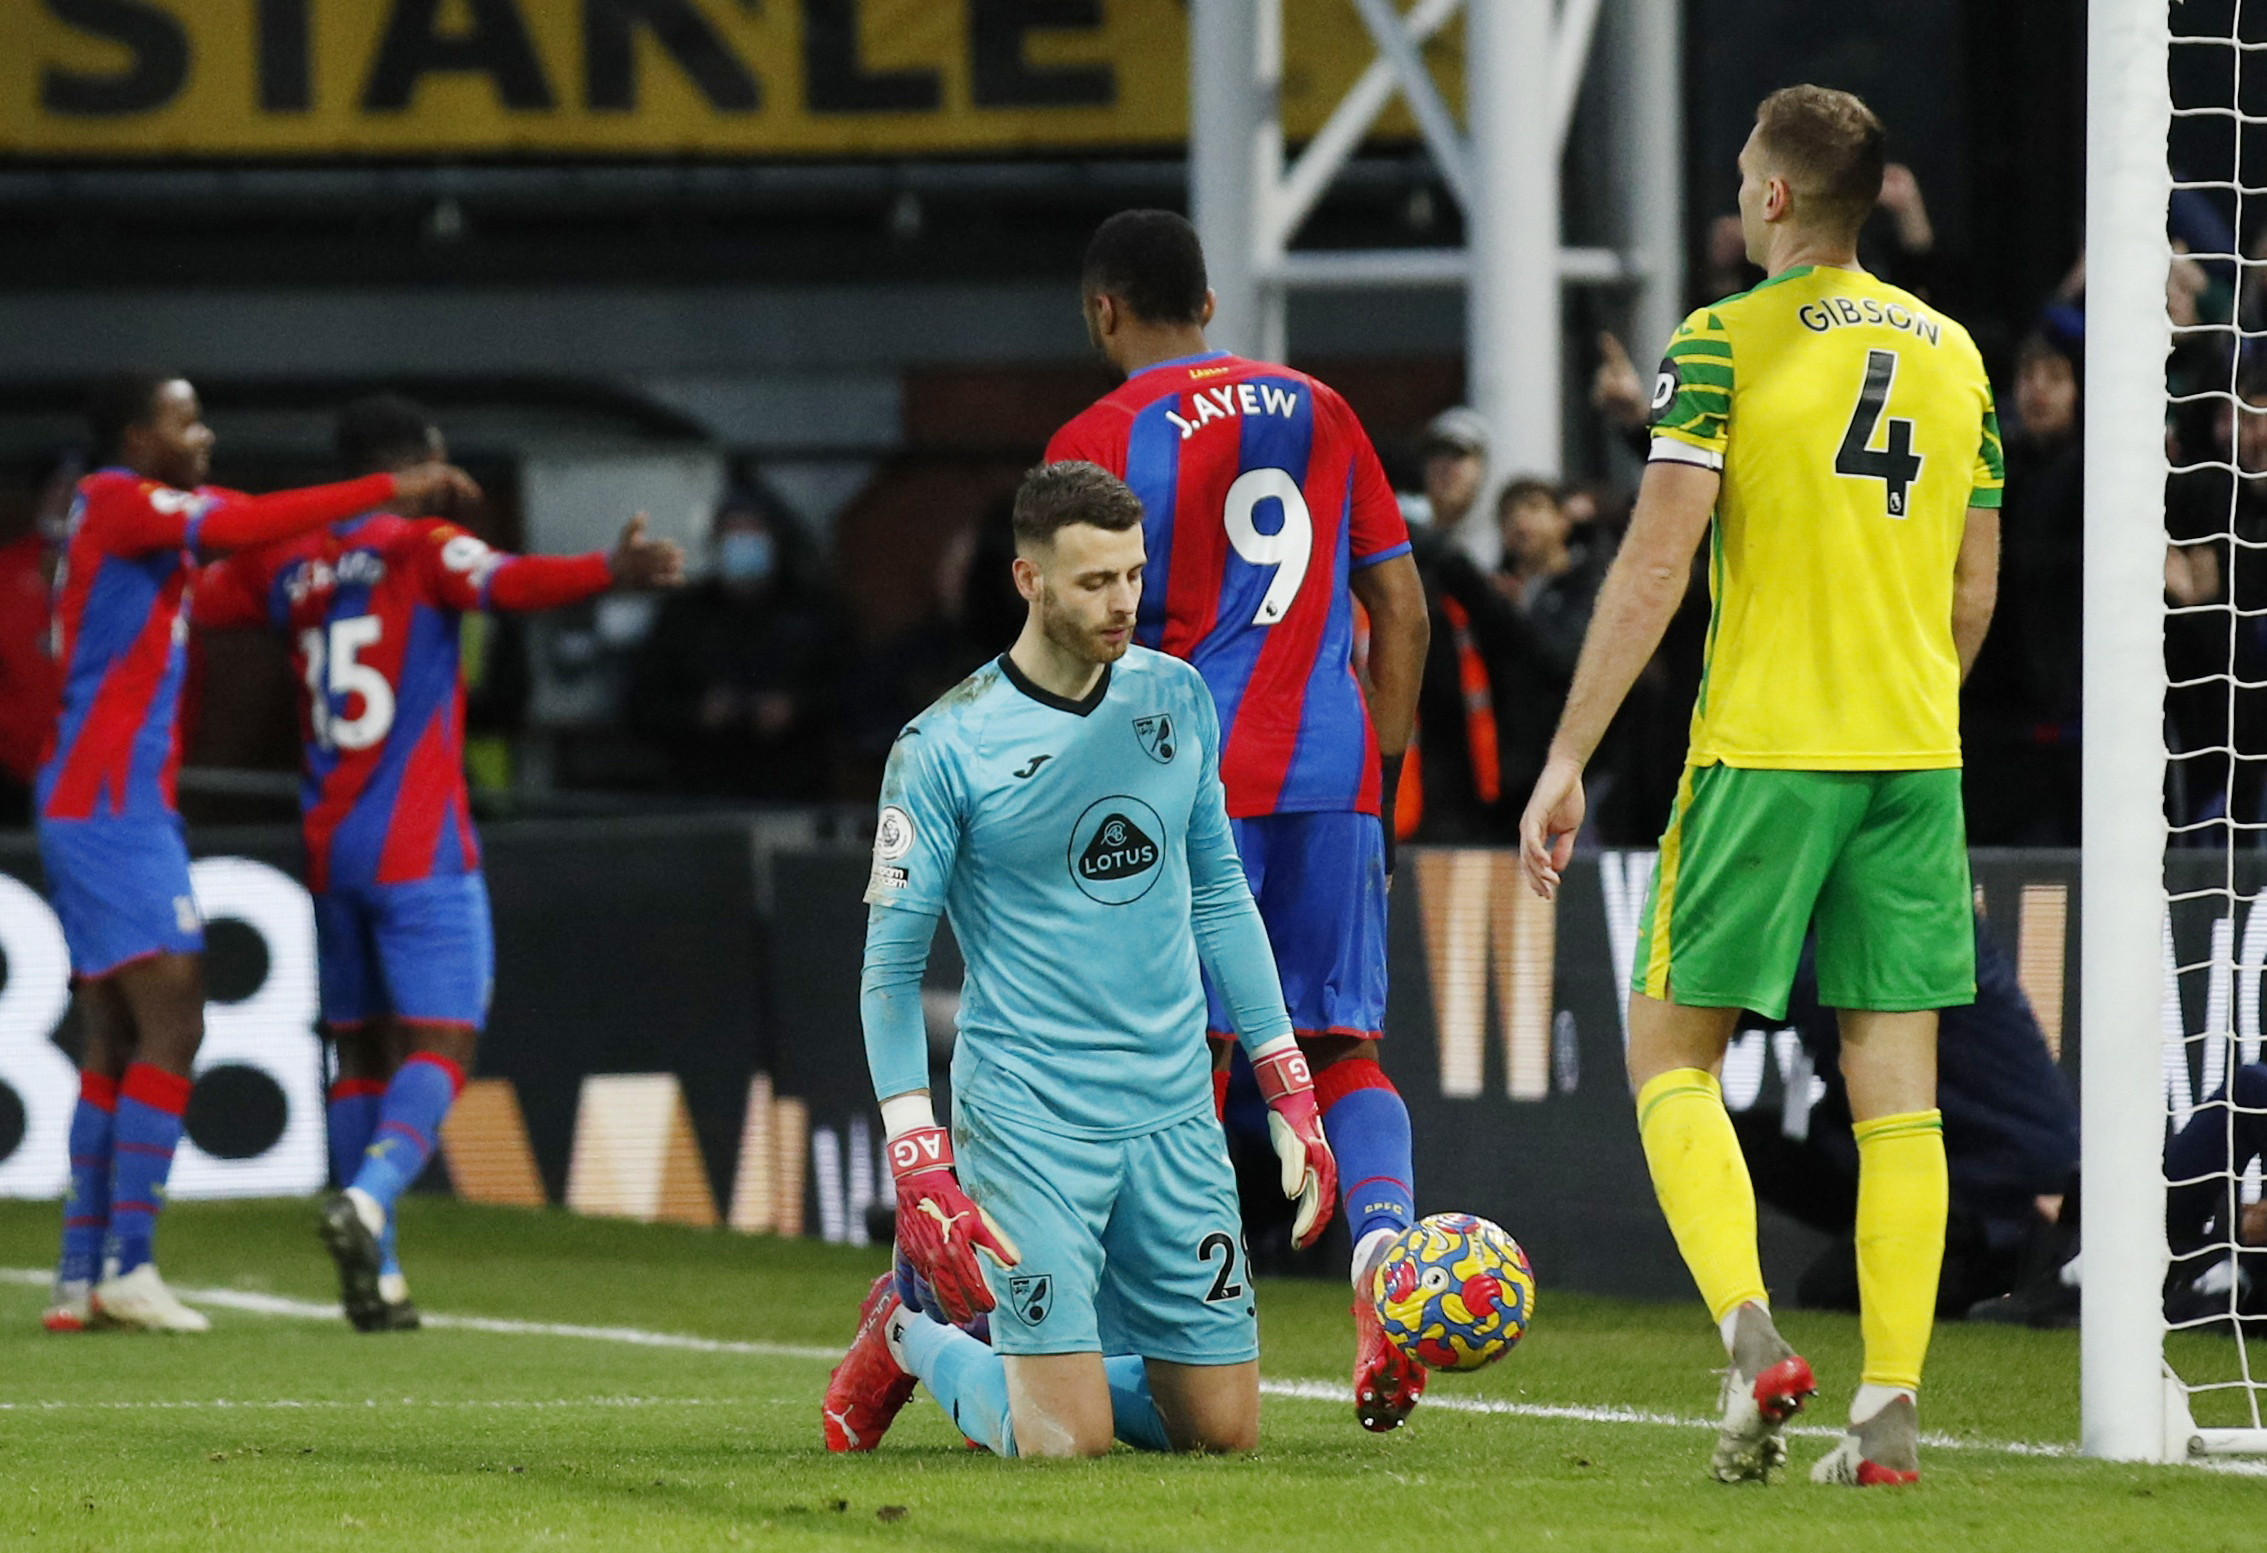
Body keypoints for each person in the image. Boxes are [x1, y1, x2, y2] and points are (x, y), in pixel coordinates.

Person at [1518, 87, 2002, 1487]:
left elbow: (1656, 566)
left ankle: (1749, 1340)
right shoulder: (1954, 354)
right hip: (1912, 757)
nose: (1736, 199)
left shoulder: (1719, 344)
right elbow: (1971, 594)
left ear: (1777, 198)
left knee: (1669, 1053)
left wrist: (1565, 759)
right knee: (1895, 1095)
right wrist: (1905, 708)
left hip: (1763, 747)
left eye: (1742, 179)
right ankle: (1890, 1408)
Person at [818, 462, 1335, 1458]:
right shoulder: (943, 744)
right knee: (1065, 1444)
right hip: (1030, 1116)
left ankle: (1051, 1355)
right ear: (1028, 579)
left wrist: (1287, 1083)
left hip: (1173, 1106)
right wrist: (917, 1151)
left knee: (1222, 1433)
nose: (1123, 601)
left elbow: (1220, 894)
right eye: (1094, 580)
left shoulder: (1175, 697)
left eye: (1133, 574)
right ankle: (908, 1330)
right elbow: (888, 970)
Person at [1041, 209, 1434, 1430]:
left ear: (1103, 310)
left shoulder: (1099, 438)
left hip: (1176, 782)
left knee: (1174, 1062)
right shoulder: (1323, 407)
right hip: (1329, 778)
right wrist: (1377, 765)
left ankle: (1177, 1324)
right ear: (1208, 303)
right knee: (1336, 1047)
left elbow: (1069, 640)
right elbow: (1402, 612)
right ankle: (1387, 1271)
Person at [193, 394, 683, 1330]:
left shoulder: (288, 563)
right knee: (445, 1042)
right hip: (417, 843)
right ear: (420, 463)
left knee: (360, 1048)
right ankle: (371, 1198)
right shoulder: (421, 548)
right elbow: (506, 580)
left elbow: (193, 595)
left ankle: (375, 1274)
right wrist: (606, 570)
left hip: (329, 845)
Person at [38, 374, 477, 1334]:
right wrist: (382, 492)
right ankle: (129, 1262)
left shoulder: (135, 520)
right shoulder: (121, 499)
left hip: (93, 796)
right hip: (113, 804)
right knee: (173, 1023)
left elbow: (259, 526)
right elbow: (251, 526)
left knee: (116, 1035)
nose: (204, 433)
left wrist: (343, 539)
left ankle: (83, 1275)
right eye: (184, 419)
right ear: (134, 436)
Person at [627, 488, 841, 801]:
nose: (742, 545)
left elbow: (849, 687)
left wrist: (797, 709)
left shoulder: (812, 610)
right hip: (702, 790)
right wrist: (699, 712)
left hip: (793, 786)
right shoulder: (685, 616)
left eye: (753, 533)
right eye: (733, 534)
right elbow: (641, 703)